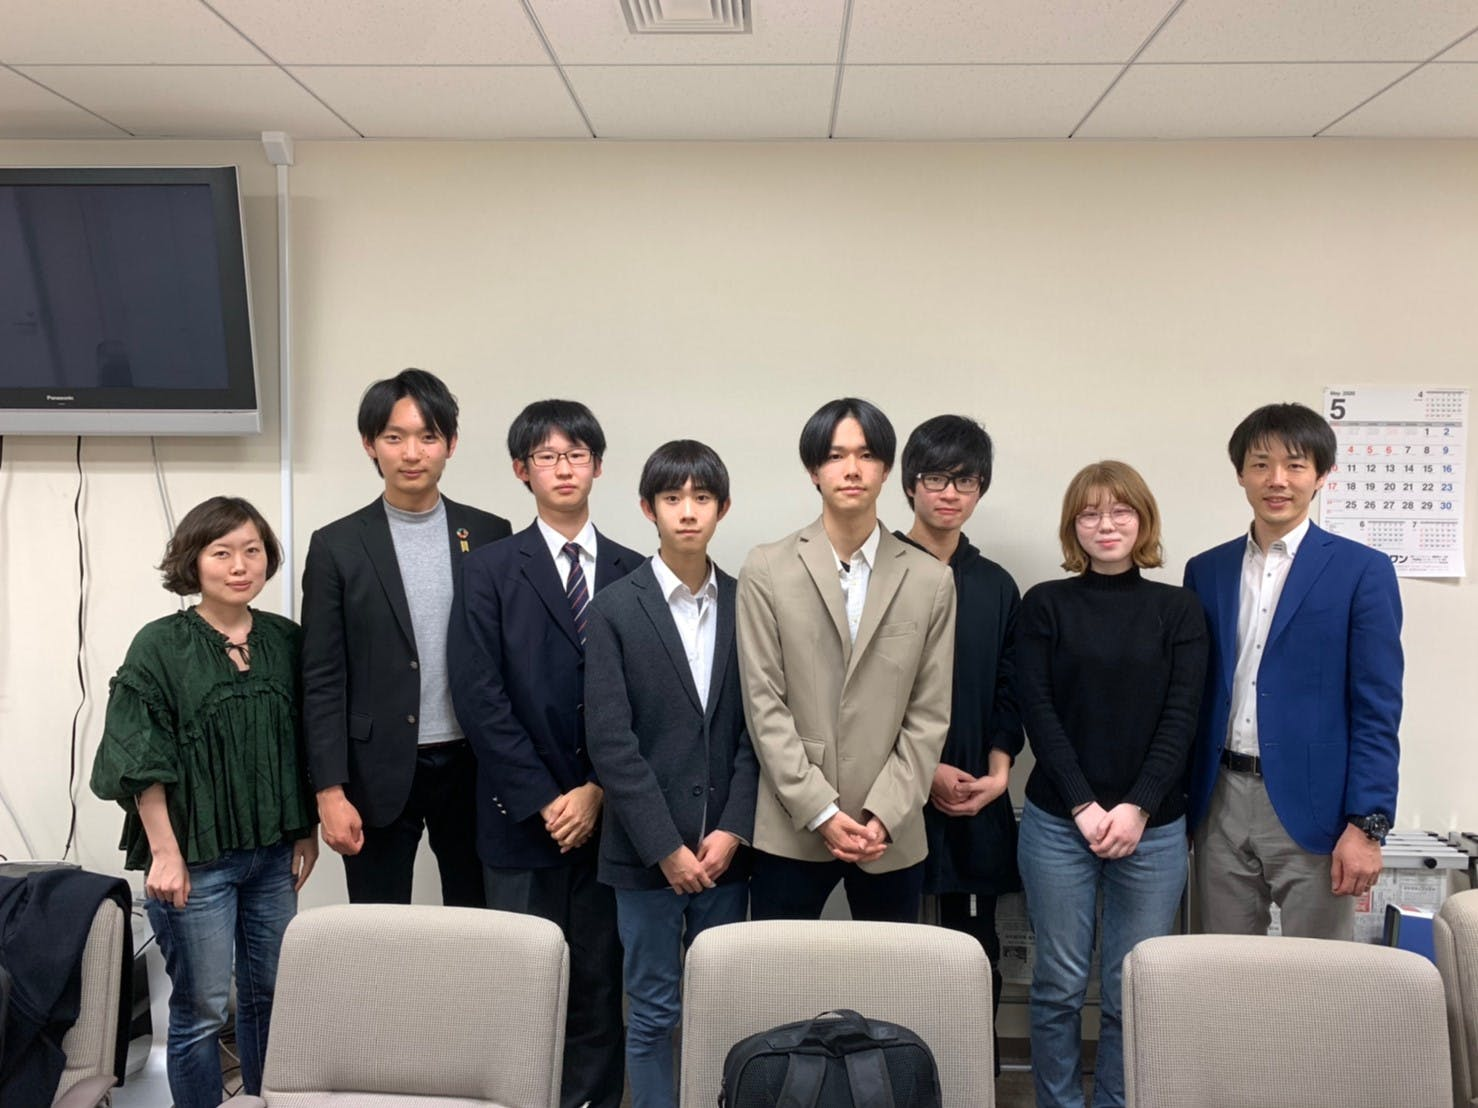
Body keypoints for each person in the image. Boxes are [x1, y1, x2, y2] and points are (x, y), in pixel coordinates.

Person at [90, 496, 317, 1108]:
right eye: (222, 552)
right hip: (194, 861)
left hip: (273, 856)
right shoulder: (160, 645)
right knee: (202, 1009)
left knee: (271, 995)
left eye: (252, 551)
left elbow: (304, 743)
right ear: (193, 561)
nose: (239, 566)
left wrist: (305, 829)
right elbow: (139, 756)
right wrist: (165, 854)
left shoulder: (286, 640)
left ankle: (264, 1100)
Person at [449, 399, 641, 1108]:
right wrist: (546, 798)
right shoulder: (489, 568)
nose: (564, 469)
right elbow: (479, 695)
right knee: (520, 987)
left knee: (598, 984)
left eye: (577, 455)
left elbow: (645, 701)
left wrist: (597, 789)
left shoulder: (633, 570)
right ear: (520, 470)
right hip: (520, 818)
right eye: (547, 457)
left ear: (598, 466)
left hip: (610, 819)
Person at [1015, 461, 1207, 1108]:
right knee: (1058, 987)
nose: (1106, 524)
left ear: (1143, 520)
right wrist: (1082, 804)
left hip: (1153, 829)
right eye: (1090, 513)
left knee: (1133, 988)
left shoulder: (1178, 609)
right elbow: (1038, 710)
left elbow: (1182, 718)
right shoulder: (1045, 604)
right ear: (1073, 526)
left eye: (1121, 510)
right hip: (1057, 823)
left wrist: (1137, 808)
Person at [1184, 402, 1403, 940]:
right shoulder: (1206, 570)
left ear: (1322, 475)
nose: (1277, 480)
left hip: (1318, 807)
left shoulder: (1362, 571)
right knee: (1222, 968)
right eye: (1260, 464)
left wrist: (1367, 825)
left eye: (1295, 465)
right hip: (1219, 799)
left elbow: (1378, 708)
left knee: (1318, 974)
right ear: (1240, 474)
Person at [585, 439, 758, 1108]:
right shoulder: (614, 608)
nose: (688, 511)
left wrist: (732, 831)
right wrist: (665, 847)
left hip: (724, 855)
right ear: (647, 508)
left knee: (722, 1008)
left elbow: (757, 734)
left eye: (702, 497)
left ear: (723, 508)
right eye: (672, 498)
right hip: (643, 855)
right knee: (653, 1010)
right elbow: (611, 741)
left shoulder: (748, 603)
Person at [736, 397, 955, 924]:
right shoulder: (767, 568)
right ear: (814, 470)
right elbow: (764, 705)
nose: (852, 469)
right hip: (792, 823)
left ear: (886, 470)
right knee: (778, 970)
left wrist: (885, 812)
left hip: (891, 830)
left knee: (889, 972)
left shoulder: (931, 580)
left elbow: (929, 715)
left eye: (866, 455)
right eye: (836, 456)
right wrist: (820, 808)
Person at [300, 368, 510, 906]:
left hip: (472, 765)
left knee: (479, 922)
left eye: (428, 436)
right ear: (369, 444)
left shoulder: (490, 534)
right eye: (394, 437)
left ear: (451, 444)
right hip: (375, 771)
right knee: (379, 928)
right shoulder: (337, 546)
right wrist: (328, 791)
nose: (412, 453)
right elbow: (321, 677)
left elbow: (507, 661)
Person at [894, 415, 1022, 1069]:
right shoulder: (876, 572)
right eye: (937, 478)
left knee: (976, 951)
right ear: (910, 485)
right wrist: (925, 770)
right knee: (892, 951)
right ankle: (894, 1075)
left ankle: (971, 1077)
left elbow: (1010, 688)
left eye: (965, 481)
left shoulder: (996, 584)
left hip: (976, 796)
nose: (950, 493)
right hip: (891, 795)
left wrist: (998, 774)